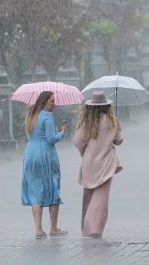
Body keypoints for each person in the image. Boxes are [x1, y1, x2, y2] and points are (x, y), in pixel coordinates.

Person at [73, 91, 123, 239]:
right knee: (101, 196)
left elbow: (78, 141)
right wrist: (117, 128)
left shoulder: (87, 122)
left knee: (88, 195)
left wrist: (84, 151)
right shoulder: (112, 121)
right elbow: (119, 140)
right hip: (106, 163)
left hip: (89, 163)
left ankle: (86, 228)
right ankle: (95, 227)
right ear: (107, 106)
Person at [21, 91, 68, 239]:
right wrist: (61, 132)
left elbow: (29, 136)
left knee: (36, 192)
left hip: (30, 154)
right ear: (45, 101)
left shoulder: (31, 115)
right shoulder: (47, 116)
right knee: (53, 188)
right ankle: (53, 228)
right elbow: (50, 139)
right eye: (52, 101)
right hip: (45, 155)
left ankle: (38, 229)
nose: (54, 104)